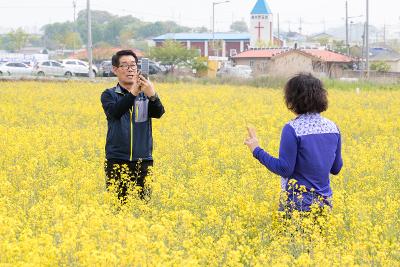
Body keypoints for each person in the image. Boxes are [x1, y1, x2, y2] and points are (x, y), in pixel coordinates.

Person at [244, 73, 343, 212]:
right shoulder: (333, 128)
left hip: (297, 205)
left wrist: (256, 150)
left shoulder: (292, 129)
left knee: (288, 234)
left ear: (292, 99)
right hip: (325, 204)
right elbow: (336, 168)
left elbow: (285, 169)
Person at [101, 50, 165, 202]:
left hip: (143, 160)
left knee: (143, 208)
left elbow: (159, 113)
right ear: (115, 69)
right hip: (117, 160)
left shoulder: (146, 93)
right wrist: (134, 92)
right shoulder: (109, 94)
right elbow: (116, 112)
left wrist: (152, 95)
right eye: (124, 65)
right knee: (117, 208)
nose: (130, 69)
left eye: (133, 65)